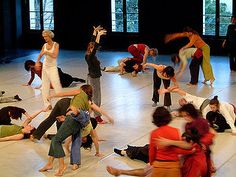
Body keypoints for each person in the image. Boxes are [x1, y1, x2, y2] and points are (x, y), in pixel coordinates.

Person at [30, 84, 114, 141]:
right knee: (64, 124)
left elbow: (64, 94)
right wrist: (108, 117)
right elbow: (98, 110)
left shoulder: (81, 94)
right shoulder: (88, 101)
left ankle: (35, 135)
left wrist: (52, 95)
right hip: (66, 107)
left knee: (51, 119)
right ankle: (58, 138)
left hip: (63, 102)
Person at [158, 86, 236, 135]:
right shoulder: (189, 108)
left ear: (184, 99)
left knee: (229, 121)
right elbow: (186, 113)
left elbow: (178, 91)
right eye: (181, 104)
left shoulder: (190, 97)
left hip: (226, 108)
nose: (181, 102)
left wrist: (166, 91)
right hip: (208, 108)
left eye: (181, 100)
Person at [149, 106, 182, 177]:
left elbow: (152, 152)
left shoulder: (154, 133)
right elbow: (178, 150)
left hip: (159, 166)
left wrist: (152, 163)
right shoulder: (176, 131)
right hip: (174, 167)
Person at [85, 25, 107, 123]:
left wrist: (95, 32)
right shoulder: (90, 56)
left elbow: (92, 42)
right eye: (94, 48)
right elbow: (95, 45)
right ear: (91, 48)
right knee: (96, 97)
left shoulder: (89, 54)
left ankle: (89, 114)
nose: (96, 49)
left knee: (94, 96)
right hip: (93, 78)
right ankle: (97, 117)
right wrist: (99, 35)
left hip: (93, 77)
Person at [36, 30, 62, 110]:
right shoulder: (44, 45)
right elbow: (40, 54)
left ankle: (61, 103)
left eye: (46, 36)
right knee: (45, 86)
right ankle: (47, 105)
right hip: (45, 67)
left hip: (52, 67)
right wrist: (37, 62)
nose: (45, 38)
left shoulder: (56, 44)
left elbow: (54, 55)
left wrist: (46, 53)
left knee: (56, 85)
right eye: (44, 37)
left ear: (50, 36)